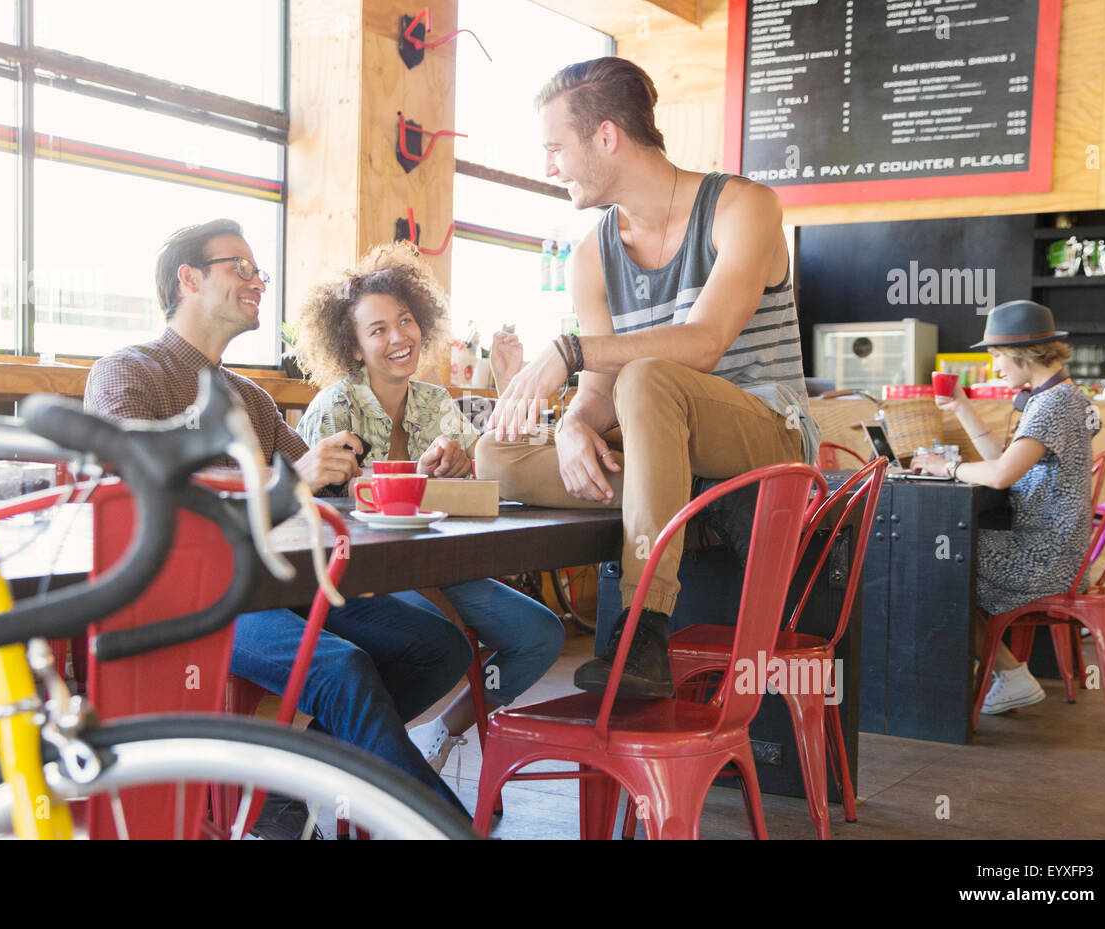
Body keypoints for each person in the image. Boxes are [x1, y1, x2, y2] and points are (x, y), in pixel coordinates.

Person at [83, 219, 473, 830]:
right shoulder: (129, 373)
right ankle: (441, 825)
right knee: (342, 668)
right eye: (239, 267)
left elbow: (327, 483)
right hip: (193, 594)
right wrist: (297, 479)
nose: (257, 281)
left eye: (258, 271)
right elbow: (143, 497)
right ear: (188, 279)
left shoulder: (253, 398)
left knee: (439, 645)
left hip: (281, 581)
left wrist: (358, 467)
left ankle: (285, 782)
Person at [475, 57, 820, 699]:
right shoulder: (591, 255)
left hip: (766, 436)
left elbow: (706, 343)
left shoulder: (743, 206)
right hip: (665, 445)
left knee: (649, 378)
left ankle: (643, 630)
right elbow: (599, 394)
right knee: (494, 455)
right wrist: (576, 423)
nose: (549, 166)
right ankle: (693, 501)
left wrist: (572, 352)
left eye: (556, 148)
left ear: (606, 137)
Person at [294, 242, 565, 771]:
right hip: (363, 576)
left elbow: (501, 472)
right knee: (441, 644)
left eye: (406, 321)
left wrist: (464, 460)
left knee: (539, 636)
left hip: (439, 564)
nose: (399, 337)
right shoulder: (335, 406)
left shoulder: (436, 402)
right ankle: (348, 756)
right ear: (352, 347)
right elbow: (310, 513)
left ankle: (439, 732)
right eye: (378, 330)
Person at [911, 300, 1100, 715]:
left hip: (1044, 555)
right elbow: (1003, 459)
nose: (995, 365)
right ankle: (1002, 675)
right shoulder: (1058, 396)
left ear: (1022, 354)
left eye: (996, 355)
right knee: (940, 552)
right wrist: (961, 407)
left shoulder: (1053, 404)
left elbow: (999, 477)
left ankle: (1006, 676)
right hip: (1056, 547)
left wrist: (949, 467)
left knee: (936, 556)